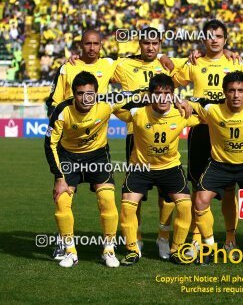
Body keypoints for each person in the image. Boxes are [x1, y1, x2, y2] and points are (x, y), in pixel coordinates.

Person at [173, 20, 243, 255]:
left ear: (225, 40)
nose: (214, 40)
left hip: (228, 131)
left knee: (230, 189)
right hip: (201, 130)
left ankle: (231, 238)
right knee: (199, 187)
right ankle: (197, 239)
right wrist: (179, 101)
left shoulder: (235, 62)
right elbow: (169, 80)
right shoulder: (194, 62)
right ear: (203, 39)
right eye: (209, 36)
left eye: (219, 36)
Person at [188, 71, 243, 264]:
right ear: (224, 92)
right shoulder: (212, 108)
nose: (236, 95)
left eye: (240, 90)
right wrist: (181, 103)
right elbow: (189, 102)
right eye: (231, 91)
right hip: (219, 166)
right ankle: (210, 247)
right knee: (200, 200)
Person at [44, 71, 130, 268]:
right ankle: (70, 252)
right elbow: (50, 144)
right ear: (73, 94)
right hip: (69, 158)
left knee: (107, 199)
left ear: (96, 93)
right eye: (80, 93)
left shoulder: (107, 103)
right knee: (62, 200)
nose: (85, 98)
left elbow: (140, 94)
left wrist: (176, 101)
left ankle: (109, 250)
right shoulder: (62, 111)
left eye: (90, 93)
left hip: (98, 156)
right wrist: (59, 177)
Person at [115, 74, 199, 265]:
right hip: (140, 167)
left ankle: (176, 249)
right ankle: (132, 249)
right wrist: (140, 94)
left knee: (185, 205)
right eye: (157, 94)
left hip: (170, 168)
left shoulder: (182, 114)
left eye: (167, 94)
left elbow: (206, 115)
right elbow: (115, 107)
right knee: (127, 205)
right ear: (150, 95)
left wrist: (186, 103)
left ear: (173, 95)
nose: (162, 98)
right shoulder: (138, 112)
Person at [111, 27, 177, 260]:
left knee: (167, 195)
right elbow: (96, 67)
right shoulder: (123, 65)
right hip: (136, 134)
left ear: (160, 44)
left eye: (155, 44)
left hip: (165, 132)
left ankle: (163, 238)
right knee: (134, 195)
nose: (150, 47)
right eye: (146, 43)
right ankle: (135, 238)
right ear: (139, 44)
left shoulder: (169, 64)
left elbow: (200, 62)